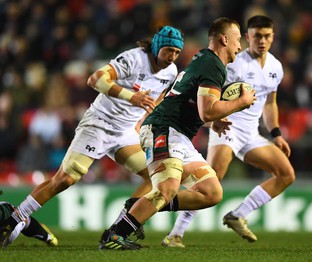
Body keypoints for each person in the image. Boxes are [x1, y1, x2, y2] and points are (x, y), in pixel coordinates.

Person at [0, 25, 184, 247]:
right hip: (99, 124)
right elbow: (95, 79)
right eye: (168, 51)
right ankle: (14, 219)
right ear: (156, 46)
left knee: (156, 178)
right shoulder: (134, 59)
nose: (172, 56)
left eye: (176, 52)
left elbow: (157, 96)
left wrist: (138, 123)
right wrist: (131, 97)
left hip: (124, 132)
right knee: (65, 179)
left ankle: (117, 230)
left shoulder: (171, 71)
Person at [98, 17, 256, 251]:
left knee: (211, 192)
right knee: (167, 189)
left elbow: (191, 105)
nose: (240, 46)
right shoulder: (212, 65)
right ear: (224, 39)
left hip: (178, 134)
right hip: (164, 130)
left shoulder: (205, 61)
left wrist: (213, 122)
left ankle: (137, 206)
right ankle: (115, 236)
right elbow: (207, 109)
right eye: (237, 39)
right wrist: (241, 102)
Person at [161, 15, 295, 247]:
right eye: (257, 36)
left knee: (286, 175)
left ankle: (237, 215)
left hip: (251, 133)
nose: (262, 41)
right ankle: (176, 233)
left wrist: (276, 133)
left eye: (267, 36)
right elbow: (210, 96)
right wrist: (215, 121)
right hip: (227, 127)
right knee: (212, 178)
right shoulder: (234, 62)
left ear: (273, 37)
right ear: (247, 37)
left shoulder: (275, 67)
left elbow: (270, 103)